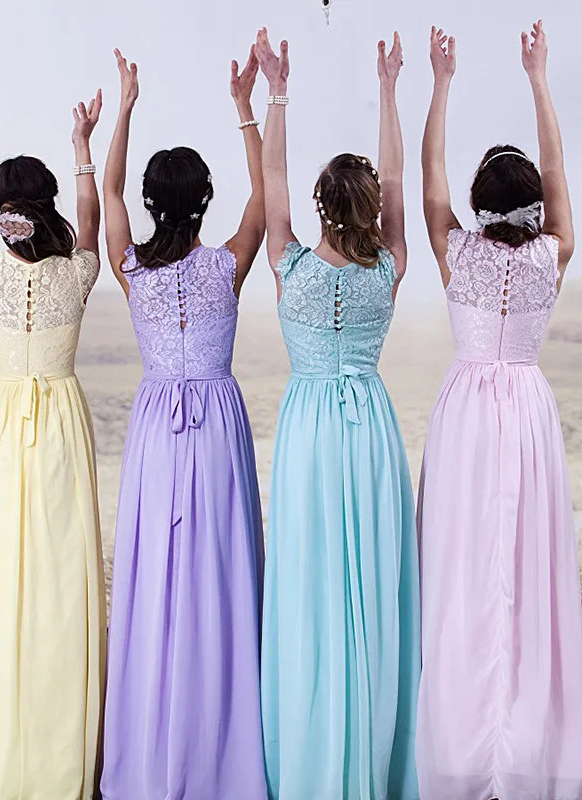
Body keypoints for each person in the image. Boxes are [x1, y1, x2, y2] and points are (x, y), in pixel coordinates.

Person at [417, 21, 582, 799]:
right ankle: (521, 741)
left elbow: (429, 179)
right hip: (527, 414)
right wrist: (539, 78)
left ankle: (463, 742)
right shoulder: (554, 251)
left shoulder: (457, 252)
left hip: (467, 421)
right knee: (525, 571)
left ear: (480, 205)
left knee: (462, 572)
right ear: (535, 206)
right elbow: (558, 172)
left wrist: (441, 82)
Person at [256, 28, 420, 799]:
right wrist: (388, 88)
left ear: (319, 208)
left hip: (308, 434)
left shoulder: (287, 266)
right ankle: (372, 747)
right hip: (370, 433)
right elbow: (398, 177)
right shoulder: (389, 268)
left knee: (310, 584)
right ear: (373, 209)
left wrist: (275, 91)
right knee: (372, 589)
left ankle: (312, 750)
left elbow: (272, 174)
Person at [100, 46, 267, 800]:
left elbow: (107, 190)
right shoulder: (228, 264)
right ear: (203, 202)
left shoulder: (131, 269)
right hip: (218, 426)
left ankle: (150, 744)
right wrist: (246, 106)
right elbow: (265, 194)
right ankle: (219, 747)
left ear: (152, 203)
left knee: (155, 582)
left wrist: (125, 105)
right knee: (219, 577)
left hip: (156, 428)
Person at [0, 92, 106, 798]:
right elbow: (91, 219)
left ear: (2, 213)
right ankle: (57, 751)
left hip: (1, 426)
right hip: (61, 423)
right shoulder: (78, 272)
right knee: (60, 581)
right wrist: (82, 144)